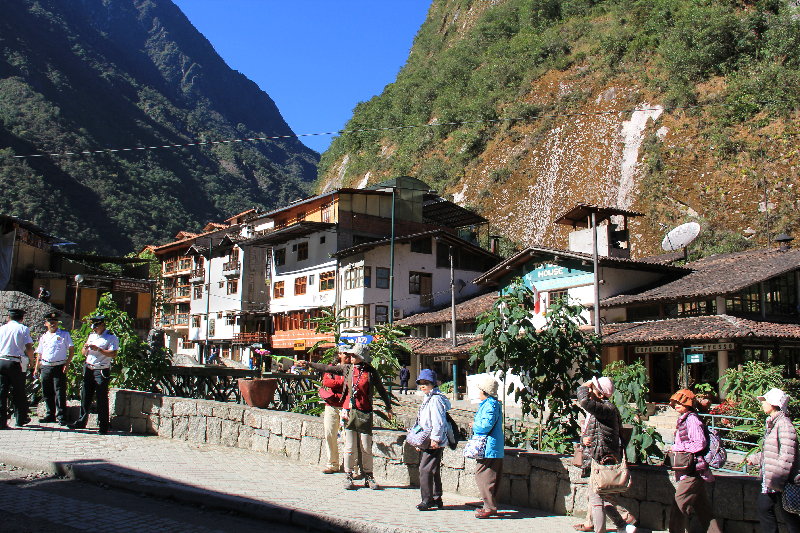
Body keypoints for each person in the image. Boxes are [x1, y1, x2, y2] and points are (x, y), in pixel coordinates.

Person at [295, 342, 392, 490]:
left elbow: (381, 389)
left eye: (354, 355)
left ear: (361, 357)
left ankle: (369, 476)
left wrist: (388, 407)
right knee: (349, 446)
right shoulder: (347, 369)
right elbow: (327, 368)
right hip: (349, 410)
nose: (350, 357)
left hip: (365, 411)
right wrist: (309, 364)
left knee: (366, 447)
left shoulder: (370, 372)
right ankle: (348, 475)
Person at [577, 376, 638, 533]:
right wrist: (584, 440)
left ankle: (607, 528)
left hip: (601, 459)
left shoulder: (606, 409)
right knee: (600, 497)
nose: (589, 390)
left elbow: (584, 402)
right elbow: (593, 432)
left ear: (601, 393)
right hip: (598, 457)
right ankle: (623, 525)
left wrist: (584, 386)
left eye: (593, 388)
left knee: (597, 499)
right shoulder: (601, 409)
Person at [667, 389, 722, 533]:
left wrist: (678, 448)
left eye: (680, 402)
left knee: (678, 504)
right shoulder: (685, 419)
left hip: (694, 469)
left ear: (688, 404)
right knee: (703, 509)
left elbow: (699, 443)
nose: (676, 404)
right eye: (675, 402)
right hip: (694, 469)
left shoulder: (692, 420)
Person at [747, 388, 800, 532]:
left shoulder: (783, 424)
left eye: (765, 401)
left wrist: (777, 480)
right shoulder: (774, 423)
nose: (762, 404)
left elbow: (787, 455)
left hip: (780, 480)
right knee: (780, 513)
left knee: (782, 513)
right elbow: (772, 451)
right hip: (775, 480)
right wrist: (755, 458)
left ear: (773, 403)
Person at [70, 315, 118, 434]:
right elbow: (83, 352)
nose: (94, 329)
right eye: (93, 326)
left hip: (101, 370)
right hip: (88, 368)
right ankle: (81, 421)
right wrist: (85, 348)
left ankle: (103, 426)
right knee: (85, 396)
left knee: (101, 398)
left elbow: (113, 353)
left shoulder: (111, 337)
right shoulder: (92, 336)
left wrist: (99, 349)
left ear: (102, 324)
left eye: (96, 326)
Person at [414, 368, 452, 511]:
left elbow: (438, 421)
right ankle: (436, 498)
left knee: (424, 469)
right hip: (428, 438)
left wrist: (435, 439)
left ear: (433, 383)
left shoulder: (435, 399)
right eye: (420, 383)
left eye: (426, 383)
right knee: (433, 469)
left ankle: (427, 499)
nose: (423, 386)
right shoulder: (429, 397)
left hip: (433, 439)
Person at [33, 312, 74, 425]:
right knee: (47, 392)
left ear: (57, 323)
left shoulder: (64, 334)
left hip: (59, 366)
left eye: (55, 322)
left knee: (60, 392)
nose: (53, 324)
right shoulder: (44, 336)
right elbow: (39, 353)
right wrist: (36, 368)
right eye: (50, 322)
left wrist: (67, 364)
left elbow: (71, 350)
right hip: (45, 366)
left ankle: (61, 416)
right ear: (46, 324)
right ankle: (50, 414)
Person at [472, 374, 504, 519]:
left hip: (489, 446)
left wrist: (474, 425)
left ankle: (490, 507)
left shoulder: (490, 405)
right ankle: (489, 506)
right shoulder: (491, 404)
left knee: (483, 476)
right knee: (489, 476)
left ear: (484, 391)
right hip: (492, 446)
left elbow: (485, 426)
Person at [0, 308, 33, 429]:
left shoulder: (2, 328)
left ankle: (1, 422)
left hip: (1, 360)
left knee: (1, 392)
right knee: (18, 391)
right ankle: (20, 419)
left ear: (8, 317)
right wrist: (31, 360)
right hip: (15, 362)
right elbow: (28, 347)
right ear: (21, 318)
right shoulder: (23, 328)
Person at [319, 348, 350, 474]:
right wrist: (342, 382)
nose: (347, 356)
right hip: (331, 404)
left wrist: (337, 383)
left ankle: (349, 465)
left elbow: (350, 384)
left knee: (347, 437)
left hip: (346, 406)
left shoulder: (352, 369)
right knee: (329, 434)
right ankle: (332, 464)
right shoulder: (332, 367)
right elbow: (327, 382)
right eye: (344, 353)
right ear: (339, 354)